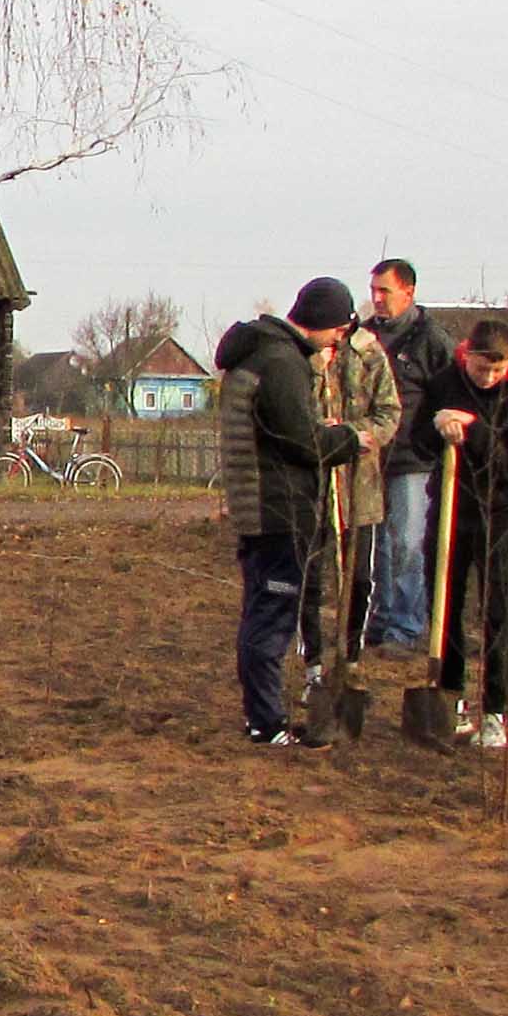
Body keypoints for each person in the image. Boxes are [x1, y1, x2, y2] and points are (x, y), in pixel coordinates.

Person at [213, 283, 363, 746]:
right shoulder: (281, 363)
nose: (339, 340)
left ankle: (262, 718)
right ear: (321, 320)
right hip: (277, 509)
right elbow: (300, 442)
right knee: (272, 617)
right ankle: (268, 723)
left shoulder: (258, 353)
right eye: (339, 329)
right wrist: (349, 440)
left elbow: (284, 430)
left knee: (261, 610)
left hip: (259, 506)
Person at [420, 319, 508, 746]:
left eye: (496, 369)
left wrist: (473, 430)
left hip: (502, 515)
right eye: (480, 368)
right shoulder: (443, 384)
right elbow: (417, 444)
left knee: (498, 611)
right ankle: (450, 700)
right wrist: (436, 425)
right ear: (467, 354)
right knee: (444, 607)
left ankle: (495, 711)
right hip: (452, 510)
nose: (488, 378)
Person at [362, 260, 460, 660]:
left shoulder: (432, 341)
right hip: (371, 459)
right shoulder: (365, 339)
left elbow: (453, 393)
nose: (377, 299)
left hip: (414, 461)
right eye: (373, 290)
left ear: (409, 291)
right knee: (378, 546)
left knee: (407, 543)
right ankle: (381, 621)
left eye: (384, 291)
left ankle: (406, 625)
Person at [305, 280, 401, 680]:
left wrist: (350, 435)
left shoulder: (369, 353)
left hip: (360, 484)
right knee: (309, 575)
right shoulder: (303, 355)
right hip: (312, 484)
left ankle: (351, 657)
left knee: (359, 576)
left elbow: (389, 413)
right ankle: (311, 661)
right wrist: (317, 431)